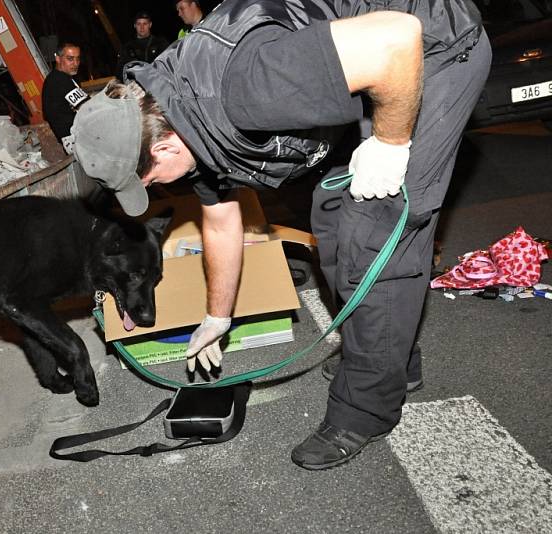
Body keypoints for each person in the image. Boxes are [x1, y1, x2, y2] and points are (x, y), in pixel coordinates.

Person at [70, 0, 491, 470]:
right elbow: (222, 220)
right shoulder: (179, 115)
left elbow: (396, 39)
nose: (154, 188)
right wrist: (217, 317)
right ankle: (388, 359)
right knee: (330, 216)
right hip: (369, 71)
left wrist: (390, 146)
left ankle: (367, 409)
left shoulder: (246, 88)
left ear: (163, 143)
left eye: (147, 178)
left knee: (373, 235)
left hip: (431, 52)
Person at [41, 42, 87, 143]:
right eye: (70, 59)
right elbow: (87, 108)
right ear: (58, 59)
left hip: (76, 135)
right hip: (74, 139)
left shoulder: (62, 78)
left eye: (78, 59)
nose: (75, 63)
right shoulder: (59, 80)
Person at [116, 11, 169, 79]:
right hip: (136, 85)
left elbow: (168, 65)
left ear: (150, 25)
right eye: (139, 24)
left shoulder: (160, 43)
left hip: (158, 83)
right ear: (134, 25)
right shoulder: (128, 48)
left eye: (145, 23)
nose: (142, 27)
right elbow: (119, 71)